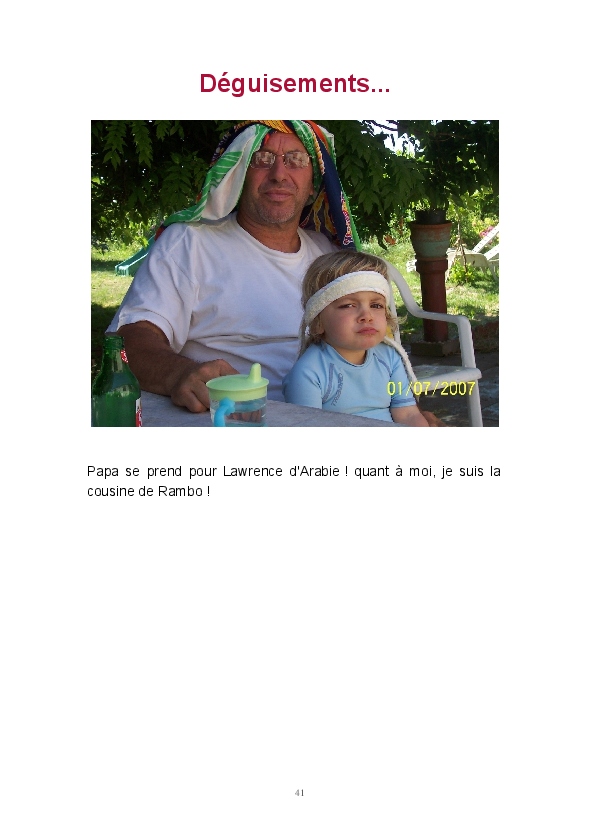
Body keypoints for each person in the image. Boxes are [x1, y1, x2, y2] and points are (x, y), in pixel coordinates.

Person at [107, 120, 360, 412]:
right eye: (262, 159)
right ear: (238, 173)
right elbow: (129, 339)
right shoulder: (190, 243)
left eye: (296, 160)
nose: (279, 174)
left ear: (314, 183)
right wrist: (177, 373)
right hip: (234, 417)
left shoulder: (329, 255)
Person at [282, 252, 429, 426]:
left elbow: (408, 415)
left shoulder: (389, 358)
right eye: (348, 305)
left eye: (376, 305)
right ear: (317, 323)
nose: (367, 315)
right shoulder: (308, 373)